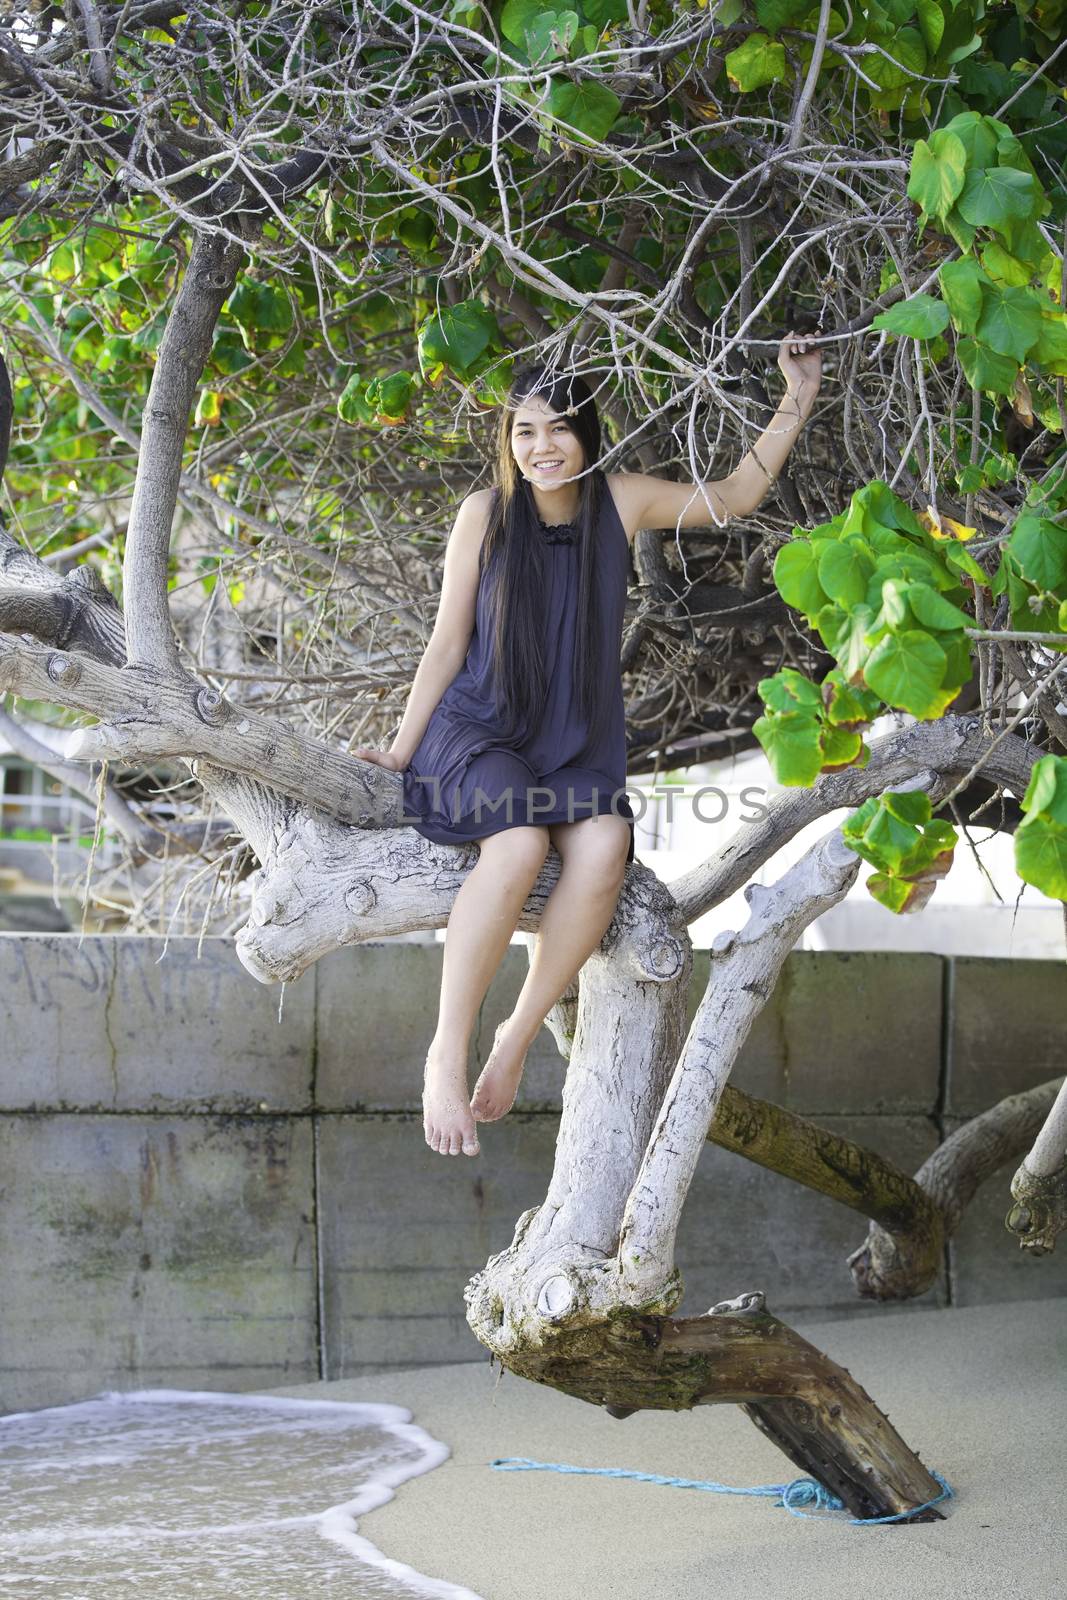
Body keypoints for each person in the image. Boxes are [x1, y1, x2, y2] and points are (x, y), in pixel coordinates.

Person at [354, 333, 822, 1158]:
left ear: (585, 433)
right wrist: (399, 750)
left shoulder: (620, 500)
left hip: (571, 742)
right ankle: (443, 1053)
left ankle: (515, 1035)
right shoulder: (484, 516)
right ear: (507, 440)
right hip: (481, 730)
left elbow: (736, 495)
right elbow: (445, 644)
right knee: (520, 845)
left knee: (605, 844)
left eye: (557, 428)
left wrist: (797, 393)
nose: (540, 447)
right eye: (523, 431)